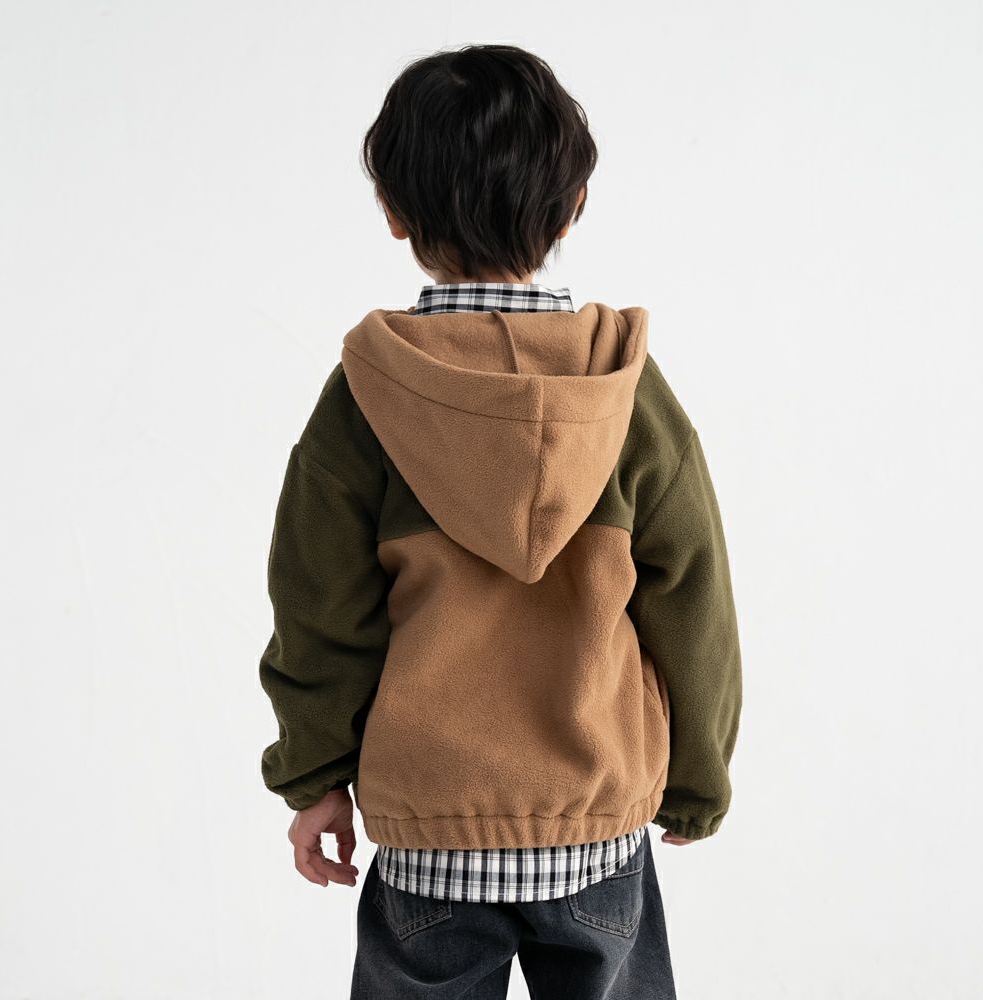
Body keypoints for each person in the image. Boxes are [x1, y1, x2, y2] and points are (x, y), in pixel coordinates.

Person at [258, 42, 743, 1000]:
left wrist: (314, 776)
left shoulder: (367, 398)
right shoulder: (625, 392)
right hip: (596, 824)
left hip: (429, 835)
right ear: (573, 206)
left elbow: (318, 608)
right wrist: (698, 775)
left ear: (394, 213)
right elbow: (695, 599)